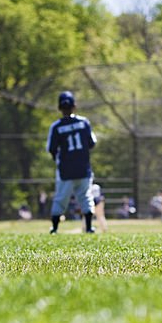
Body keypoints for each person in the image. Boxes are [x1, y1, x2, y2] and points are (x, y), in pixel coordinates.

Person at [47, 91, 96, 234]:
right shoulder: (83, 122)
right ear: (74, 106)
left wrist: (61, 160)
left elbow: (52, 149)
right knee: (86, 196)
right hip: (83, 167)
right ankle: (89, 227)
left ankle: (55, 228)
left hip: (65, 170)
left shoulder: (56, 127)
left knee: (61, 198)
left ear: (59, 108)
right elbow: (92, 143)